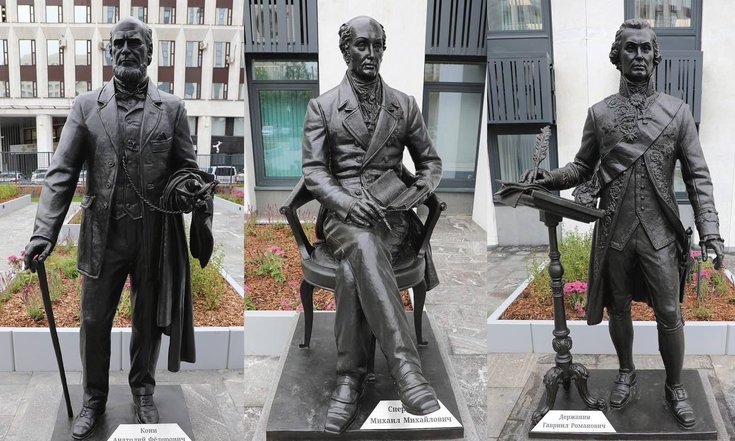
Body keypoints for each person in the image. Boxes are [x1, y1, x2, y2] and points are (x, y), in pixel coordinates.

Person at [523, 19, 724, 429]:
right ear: (618, 57)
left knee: (669, 312)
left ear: (656, 56)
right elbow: (582, 167)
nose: (639, 56)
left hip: (660, 235)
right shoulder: (599, 113)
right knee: (618, 308)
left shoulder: (677, 112)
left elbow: (698, 177)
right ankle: (626, 372)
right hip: (614, 231)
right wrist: (549, 177)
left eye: (646, 48)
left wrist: (711, 231)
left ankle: (675, 386)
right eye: (630, 48)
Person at [24, 17, 206, 440]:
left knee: (147, 319)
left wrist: (191, 191)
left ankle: (143, 391)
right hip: (102, 237)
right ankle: (94, 399)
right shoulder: (86, 106)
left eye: (134, 43)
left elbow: (187, 168)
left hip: (153, 235)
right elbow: (61, 173)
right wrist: (43, 232)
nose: (125, 50)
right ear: (109, 52)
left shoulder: (172, 108)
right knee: (93, 320)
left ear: (149, 52)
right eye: (118, 43)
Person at [301, 16, 443, 434]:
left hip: (391, 214)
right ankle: (407, 371)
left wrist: (418, 190)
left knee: (352, 271)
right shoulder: (323, 106)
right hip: (343, 214)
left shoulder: (404, 104)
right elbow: (313, 171)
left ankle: (350, 379)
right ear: (345, 50)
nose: (371, 53)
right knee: (361, 244)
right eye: (362, 45)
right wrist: (347, 204)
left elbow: (430, 162)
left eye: (377, 45)